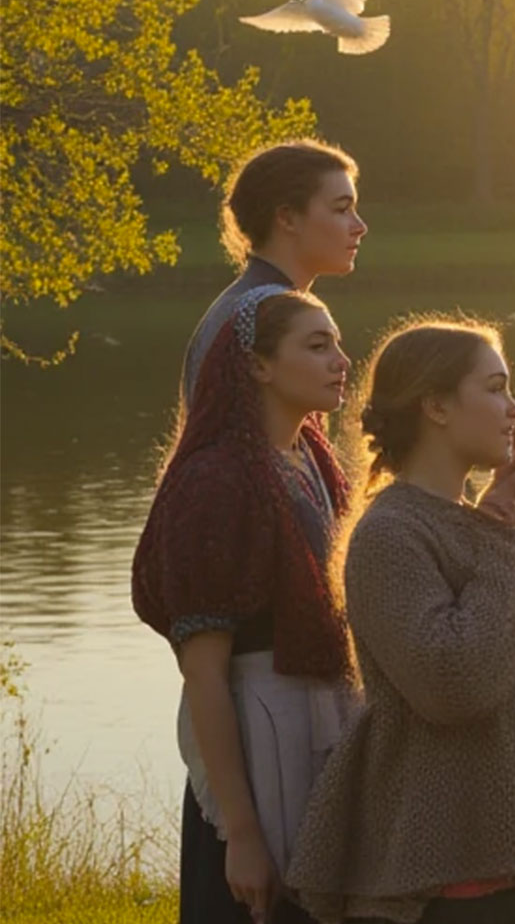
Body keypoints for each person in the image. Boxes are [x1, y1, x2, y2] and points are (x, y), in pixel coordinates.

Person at [285, 319, 515, 924]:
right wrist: (500, 532)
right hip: (458, 879)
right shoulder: (390, 534)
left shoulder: (489, 520)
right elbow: (457, 684)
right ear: (435, 406)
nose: (514, 409)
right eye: (494, 389)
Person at [132, 287, 355, 924]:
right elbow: (203, 671)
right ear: (257, 365)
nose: (341, 359)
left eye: (337, 343)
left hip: (318, 722)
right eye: (317, 346)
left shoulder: (311, 458)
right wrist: (243, 832)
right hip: (255, 743)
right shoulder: (216, 479)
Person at [183, 141, 367, 397]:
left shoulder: (245, 304)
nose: (360, 226)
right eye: (341, 209)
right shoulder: (257, 316)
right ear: (287, 218)